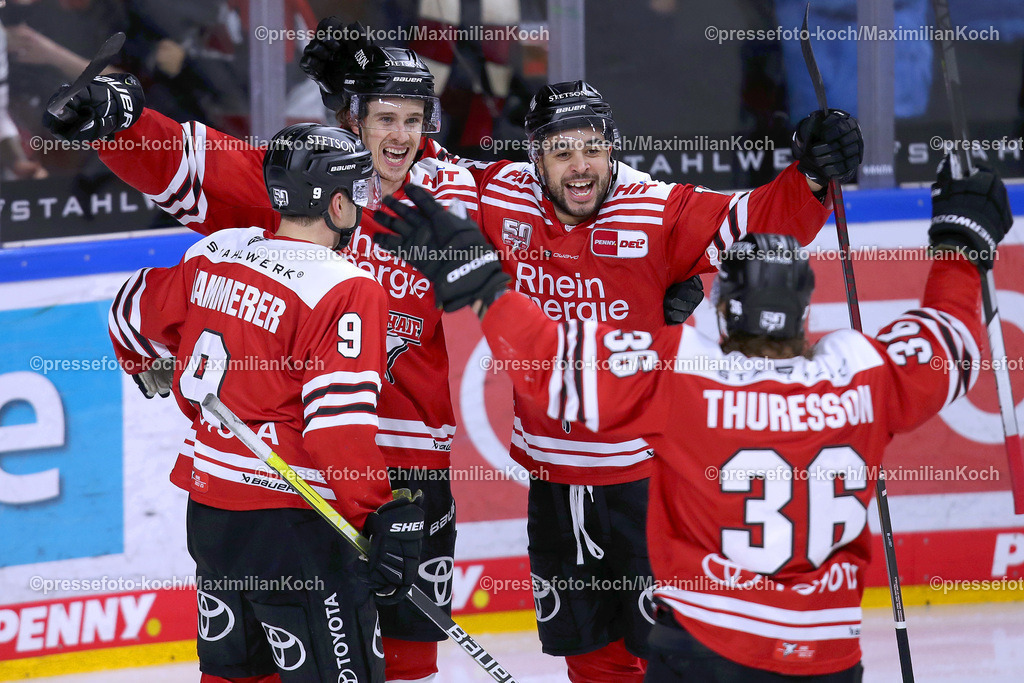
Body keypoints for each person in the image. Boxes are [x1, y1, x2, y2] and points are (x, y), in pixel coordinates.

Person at [304, 26, 859, 677]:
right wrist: (356, 98)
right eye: (561, 151)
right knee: (591, 661)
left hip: (646, 483)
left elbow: (755, 219)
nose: (580, 166)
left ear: (612, 148)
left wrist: (811, 175)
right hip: (553, 484)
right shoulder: (500, 194)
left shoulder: (654, 208)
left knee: (668, 659)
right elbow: (410, 162)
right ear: (534, 158)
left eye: (593, 148)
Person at [369, 157, 1012, 681]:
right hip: (826, 656)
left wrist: (482, 283)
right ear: (803, 308)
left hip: (707, 647)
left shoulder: (686, 372)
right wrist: (963, 243)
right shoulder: (862, 375)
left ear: (723, 309)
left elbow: (550, 364)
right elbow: (950, 341)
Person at [43, 41, 476, 683]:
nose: (400, 135)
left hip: (402, 464)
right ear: (351, 118)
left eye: (413, 119)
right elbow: (193, 162)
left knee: (406, 655)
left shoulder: (460, 192)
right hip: (310, 474)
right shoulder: (305, 185)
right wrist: (121, 122)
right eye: (384, 116)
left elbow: (558, 201)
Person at [103, 123, 424, 682]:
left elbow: (130, 306)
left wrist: (142, 361)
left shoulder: (219, 251)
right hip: (297, 524)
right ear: (338, 204)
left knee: (235, 675)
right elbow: (336, 429)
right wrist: (374, 513)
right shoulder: (346, 287)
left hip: (212, 515)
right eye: (359, 193)